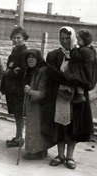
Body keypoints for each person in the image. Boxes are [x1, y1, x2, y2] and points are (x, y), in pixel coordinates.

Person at [42, 26, 95, 169]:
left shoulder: (82, 53)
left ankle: (70, 156)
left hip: (77, 98)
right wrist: (70, 79)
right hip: (60, 95)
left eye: (67, 38)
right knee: (60, 124)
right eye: (62, 38)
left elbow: (88, 74)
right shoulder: (54, 55)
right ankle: (60, 155)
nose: (65, 41)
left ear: (72, 38)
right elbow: (52, 73)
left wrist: (75, 81)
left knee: (74, 126)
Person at [22, 49, 55, 160]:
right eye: (28, 57)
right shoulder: (31, 70)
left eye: (33, 57)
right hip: (34, 104)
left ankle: (35, 151)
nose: (30, 59)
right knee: (35, 127)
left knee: (34, 127)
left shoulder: (42, 70)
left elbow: (42, 92)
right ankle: (40, 150)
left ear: (38, 58)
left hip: (40, 104)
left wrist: (30, 92)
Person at [0, 26, 29, 147]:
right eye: (14, 38)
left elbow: (23, 70)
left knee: (19, 113)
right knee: (17, 114)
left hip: (18, 88)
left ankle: (19, 138)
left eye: (19, 38)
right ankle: (18, 136)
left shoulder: (24, 52)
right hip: (12, 87)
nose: (16, 40)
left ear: (24, 39)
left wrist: (10, 72)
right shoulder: (15, 51)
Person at [64, 29, 97, 103]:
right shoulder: (92, 49)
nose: (77, 42)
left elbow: (76, 57)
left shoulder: (83, 50)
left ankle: (80, 95)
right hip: (90, 74)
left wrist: (74, 49)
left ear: (85, 40)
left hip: (84, 76)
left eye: (79, 40)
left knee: (73, 76)